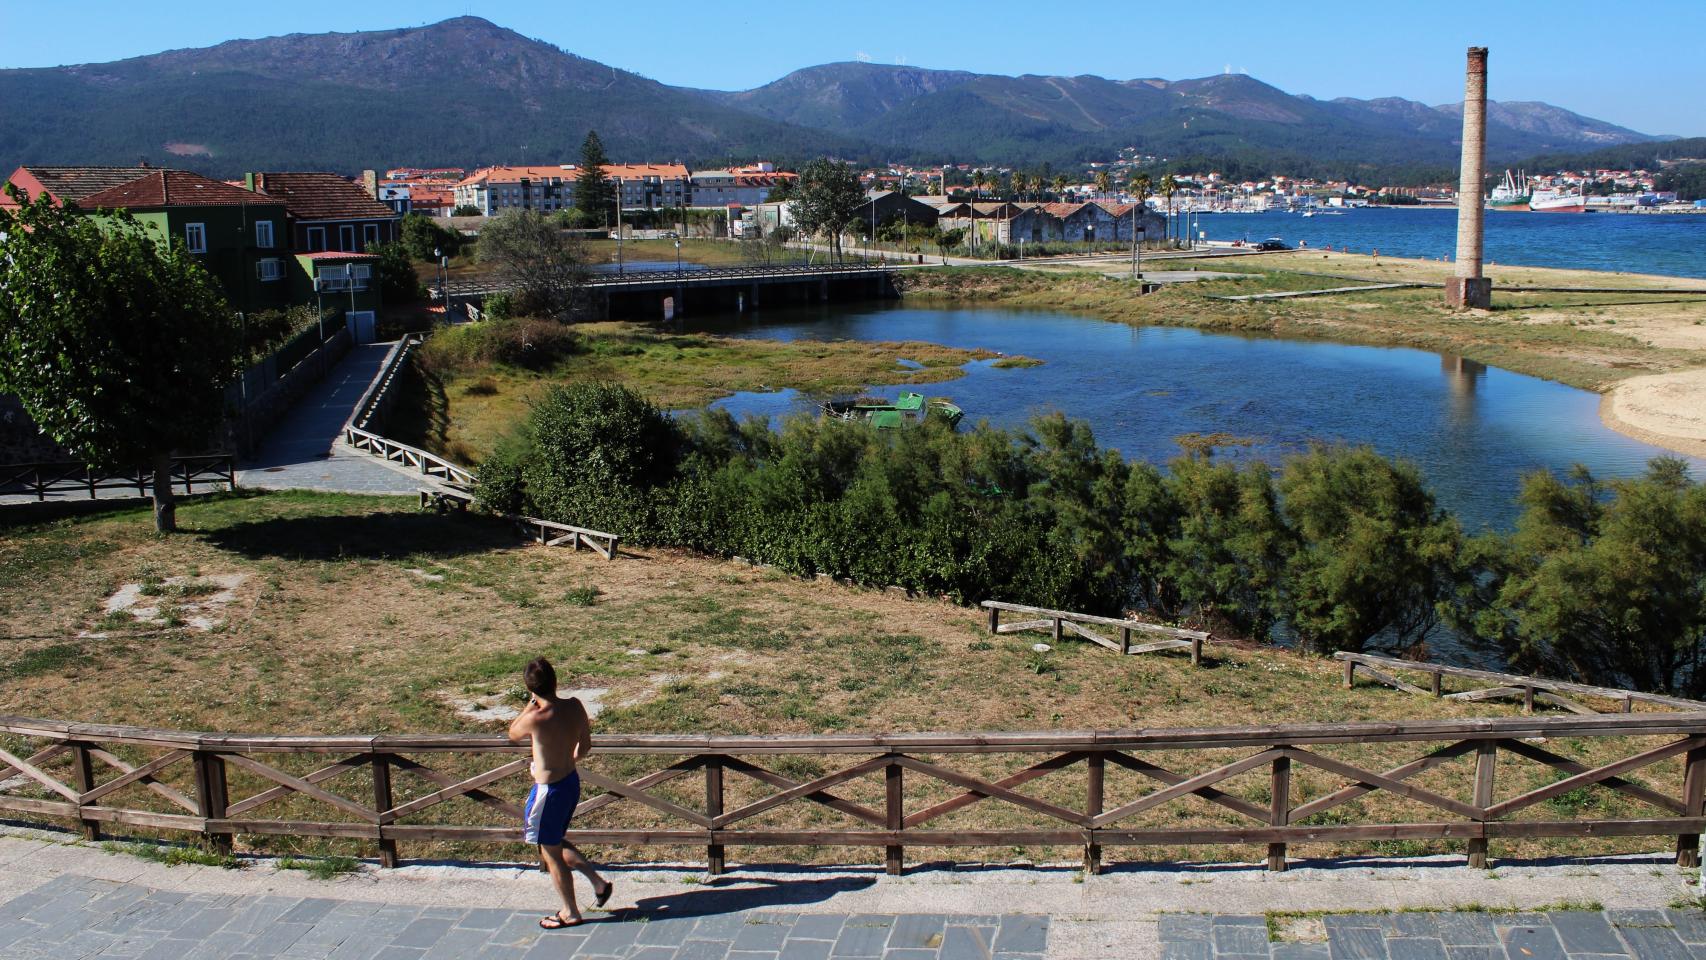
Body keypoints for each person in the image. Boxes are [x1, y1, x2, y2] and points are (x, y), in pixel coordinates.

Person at [508, 657, 613, 928]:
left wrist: (530, 703)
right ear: (556, 681)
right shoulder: (576, 706)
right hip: (570, 782)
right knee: (552, 840)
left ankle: (570, 912)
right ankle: (598, 883)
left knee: (550, 852)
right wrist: (567, 761)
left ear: (530, 688)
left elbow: (512, 733)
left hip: (548, 791)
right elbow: (585, 747)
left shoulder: (535, 717)